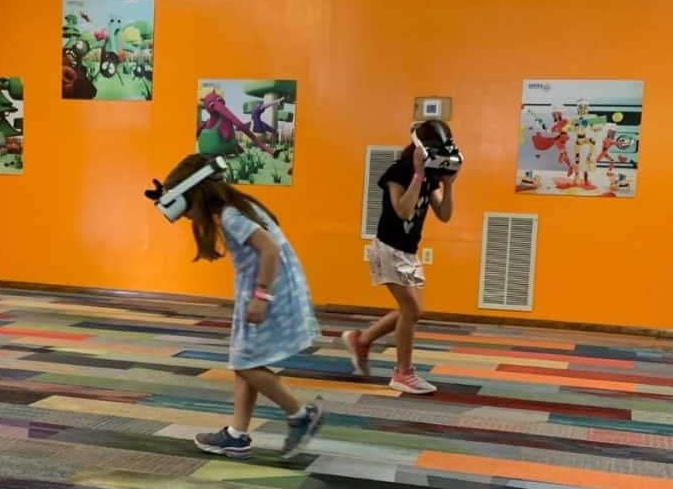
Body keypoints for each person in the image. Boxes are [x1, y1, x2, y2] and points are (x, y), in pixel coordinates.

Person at [145, 154, 323, 459]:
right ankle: (237, 435)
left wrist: (261, 296)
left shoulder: (231, 216)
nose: (186, 217)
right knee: (246, 361)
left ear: (195, 194)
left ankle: (301, 415)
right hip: (263, 288)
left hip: (269, 291)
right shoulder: (233, 208)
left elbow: (270, 248)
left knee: (246, 363)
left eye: (185, 208)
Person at [342, 121, 461, 394]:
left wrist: (449, 185)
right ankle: (403, 373)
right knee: (411, 311)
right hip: (388, 248)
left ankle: (362, 340)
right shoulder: (399, 171)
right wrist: (418, 176)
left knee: (416, 310)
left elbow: (444, 214)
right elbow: (403, 211)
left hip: (408, 251)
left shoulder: (432, 176)